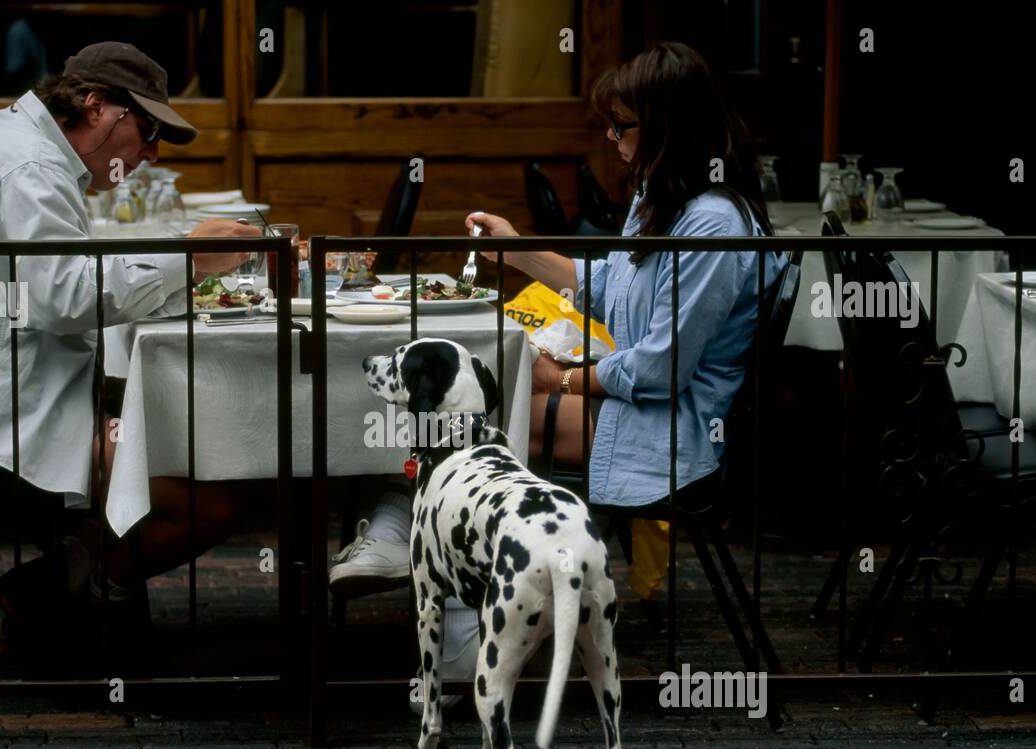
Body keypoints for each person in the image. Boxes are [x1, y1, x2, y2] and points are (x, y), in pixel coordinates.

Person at [330, 41, 783, 698]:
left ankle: (443, 618)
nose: (610, 136)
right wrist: (519, 251)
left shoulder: (710, 223)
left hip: (668, 428)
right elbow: (607, 285)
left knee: (472, 430)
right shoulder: (668, 199)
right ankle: (410, 550)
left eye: (623, 125)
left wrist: (561, 378)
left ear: (665, 128)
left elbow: (661, 370)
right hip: (639, 403)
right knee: (465, 413)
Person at [0, 42, 263, 627]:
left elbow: (62, 288)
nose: (150, 151)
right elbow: (64, 298)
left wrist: (182, 264)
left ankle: (64, 576)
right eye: (145, 128)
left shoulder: (25, 145)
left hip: (1, 378)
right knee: (213, 500)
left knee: (194, 427)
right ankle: (93, 600)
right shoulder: (30, 167)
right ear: (95, 107)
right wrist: (188, 258)